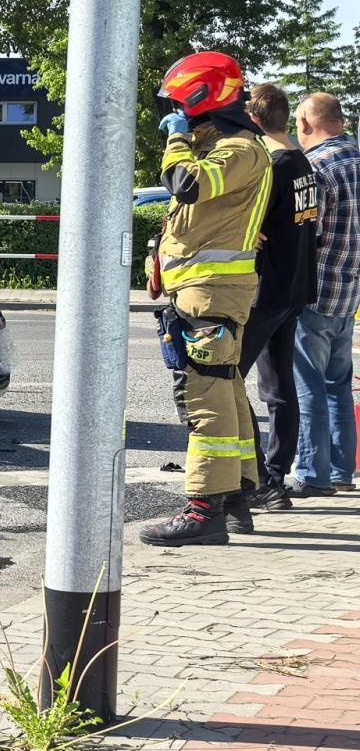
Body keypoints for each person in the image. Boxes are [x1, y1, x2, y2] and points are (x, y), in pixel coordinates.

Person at [139, 51, 271, 547]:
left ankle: (203, 511)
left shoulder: (238, 149)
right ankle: (236, 499)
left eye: (178, 105)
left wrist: (176, 139)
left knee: (206, 396)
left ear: (202, 96)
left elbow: (189, 184)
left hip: (211, 292)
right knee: (225, 387)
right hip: (205, 290)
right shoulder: (223, 146)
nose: (173, 113)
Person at [239, 84, 318, 516]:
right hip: (296, 287)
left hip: (267, 289)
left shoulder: (273, 165)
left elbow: (249, 224)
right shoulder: (302, 160)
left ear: (253, 121)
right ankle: (275, 478)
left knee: (229, 380)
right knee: (278, 386)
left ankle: (257, 479)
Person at [289, 92, 360, 497]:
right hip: (350, 292)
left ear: (304, 124)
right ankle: (340, 470)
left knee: (308, 385)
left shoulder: (316, 167)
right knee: (338, 383)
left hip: (316, 292)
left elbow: (307, 238)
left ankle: (313, 474)